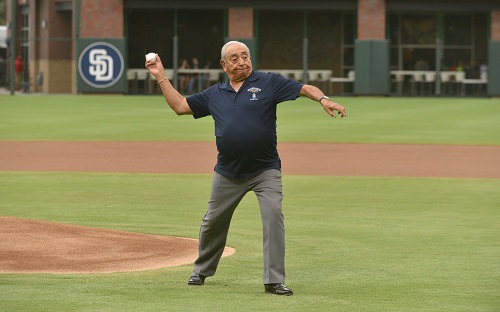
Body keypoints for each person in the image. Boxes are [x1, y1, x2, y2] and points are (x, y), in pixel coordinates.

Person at [145, 41, 347, 296]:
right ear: (224, 65)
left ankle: (274, 280)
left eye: (245, 56)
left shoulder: (268, 83)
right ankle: (202, 269)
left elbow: (305, 88)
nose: (242, 62)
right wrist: (161, 77)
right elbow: (180, 107)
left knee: (273, 215)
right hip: (228, 172)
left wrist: (323, 99)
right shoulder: (215, 94)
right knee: (213, 222)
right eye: (235, 58)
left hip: (265, 170)